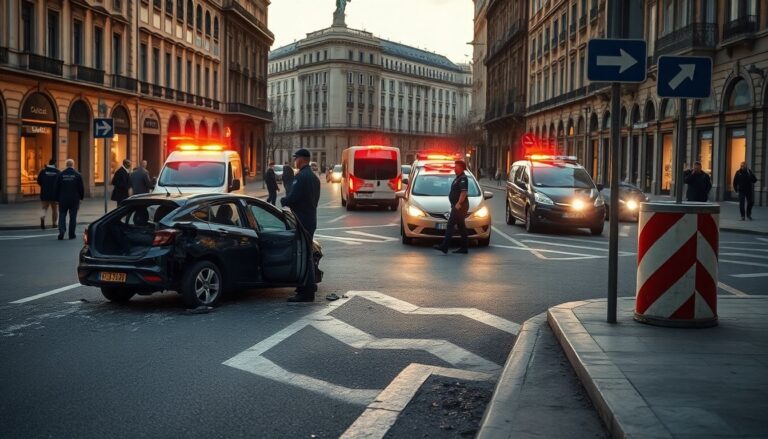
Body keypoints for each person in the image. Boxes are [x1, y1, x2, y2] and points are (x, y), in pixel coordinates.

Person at [280, 149, 320, 302]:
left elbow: (293, 197)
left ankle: (307, 291)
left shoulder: (301, 177)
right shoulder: (314, 177)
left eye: (296, 158)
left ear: (302, 160)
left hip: (302, 219)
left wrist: (284, 201)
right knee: (306, 253)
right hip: (310, 218)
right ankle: (305, 286)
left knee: (305, 256)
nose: (295, 161)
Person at [433, 160, 470, 254]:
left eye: (456, 167)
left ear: (461, 168)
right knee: (461, 226)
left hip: (460, 206)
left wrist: (458, 203)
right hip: (458, 205)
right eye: (454, 167)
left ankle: (444, 246)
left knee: (450, 225)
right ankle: (464, 248)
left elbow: (464, 192)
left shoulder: (463, 178)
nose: (455, 169)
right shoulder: (458, 177)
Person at [55, 159, 84, 240]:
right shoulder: (77, 175)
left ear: (66, 165)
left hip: (63, 198)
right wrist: (81, 198)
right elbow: (81, 188)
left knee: (62, 215)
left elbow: (57, 187)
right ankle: (71, 234)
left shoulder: (61, 174)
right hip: (74, 199)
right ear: (73, 165)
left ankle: (62, 230)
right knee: (73, 217)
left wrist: (57, 199)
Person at [36, 159, 59, 230]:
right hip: (54, 194)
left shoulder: (43, 171)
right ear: (55, 164)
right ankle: (54, 224)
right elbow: (60, 183)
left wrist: (44, 186)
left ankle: (42, 221)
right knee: (54, 209)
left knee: (43, 208)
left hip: (44, 193)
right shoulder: (57, 172)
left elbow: (38, 181)